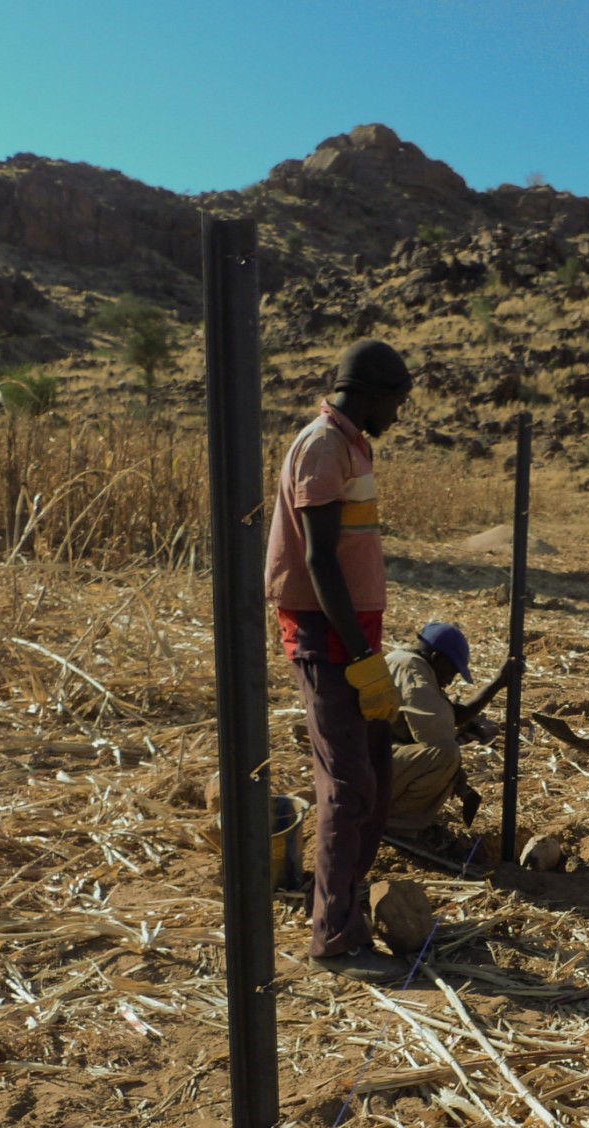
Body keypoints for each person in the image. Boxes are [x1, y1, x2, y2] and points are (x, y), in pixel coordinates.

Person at [264, 339, 412, 981]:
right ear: (373, 394)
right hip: (329, 640)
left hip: (352, 640)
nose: (399, 415)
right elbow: (320, 561)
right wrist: (360, 658)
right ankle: (335, 939)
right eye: (397, 401)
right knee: (348, 788)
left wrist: (368, 652)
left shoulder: (349, 446)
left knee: (371, 779)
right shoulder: (323, 446)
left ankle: (341, 906)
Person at [386, 623, 513, 832]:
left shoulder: (403, 661)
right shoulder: (412, 668)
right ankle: (393, 824)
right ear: (437, 658)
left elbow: (451, 717)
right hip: (367, 767)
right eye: (453, 671)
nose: (451, 680)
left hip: (368, 761)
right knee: (445, 755)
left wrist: (497, 685)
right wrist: (453, 769)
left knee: (445, 758)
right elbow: (437, 735)